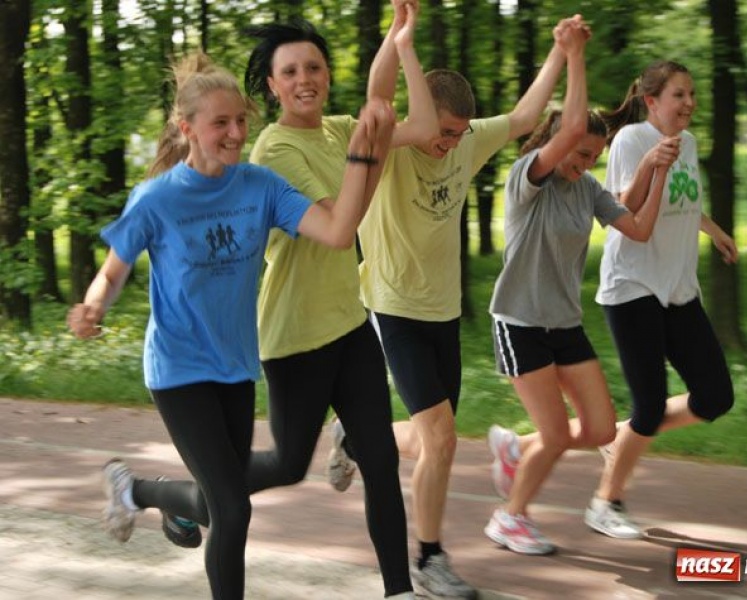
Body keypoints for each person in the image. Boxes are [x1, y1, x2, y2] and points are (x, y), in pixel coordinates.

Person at [66, 52, 395, 600]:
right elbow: (112, 272)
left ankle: (138, 491)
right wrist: (93, 306)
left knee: (223, 499)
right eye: (221, 123)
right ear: (187, 128)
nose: (237, 133)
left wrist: (363, 151)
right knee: (233, 508)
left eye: (241, 120)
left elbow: (340, 232)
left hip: (236, 368)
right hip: (178, 370)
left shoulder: (260, 187)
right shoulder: (157, 199)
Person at [332, 14, 587, 599]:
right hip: (393, 308)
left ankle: (355, 435)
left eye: (457, 134)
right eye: (443, 131)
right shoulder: (392, 147)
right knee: (443, 439)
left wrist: (559, 51)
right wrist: (401, 40)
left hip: (443, 312)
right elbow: (380, 97)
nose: (449, 143)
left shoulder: (467, 140)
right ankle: (430, 558)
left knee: (432, 442)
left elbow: (524, 118)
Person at [236, 3, 434, 598]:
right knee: (287, 465)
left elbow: (423, 123)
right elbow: (339, 228)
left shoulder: (337, 129)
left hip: (349, 324)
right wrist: (369, 147)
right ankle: (184, 495)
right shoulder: (274, 151)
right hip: (296, 335)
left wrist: (400, 41)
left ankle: (399, 589)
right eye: (290, 71)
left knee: (381, 459)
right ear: (272, 87)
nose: (305, 80)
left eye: (314, 67)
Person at [481, 19, 675, 556]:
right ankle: (510, 518)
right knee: (557, 435)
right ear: (555, 143)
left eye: (593, 156)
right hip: (520, 321)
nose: (585, 163)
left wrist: (657, 171)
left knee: (601, 428)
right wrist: (573, 54)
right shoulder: (529, 177)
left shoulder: (587, 188)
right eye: (580, 153)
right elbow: (569, 129)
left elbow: (637, 227)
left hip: (564, 323)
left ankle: (515, 448)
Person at [582, 60, 739, 539]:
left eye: (692, 94)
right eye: (678, 95)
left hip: (677, 288)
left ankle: (624, 435)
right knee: (649, 405)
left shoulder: (688, 143)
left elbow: (685, 204)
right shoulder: (631, 140)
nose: (689, 103)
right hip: (633, 286)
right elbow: (620, 210)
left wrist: (715, 231)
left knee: (715, 395)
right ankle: (605, 503)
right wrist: (651, 163)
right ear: (652, 101)